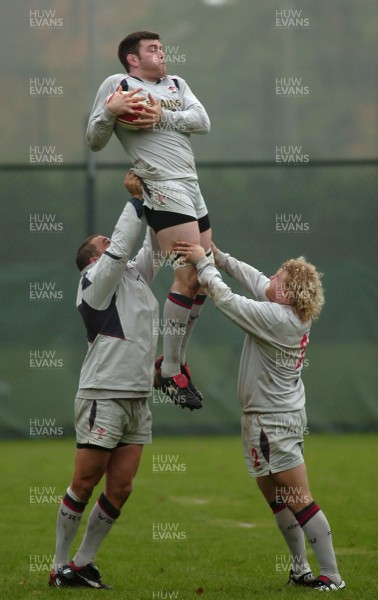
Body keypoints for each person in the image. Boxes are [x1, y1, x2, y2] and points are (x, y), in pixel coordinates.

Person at [174, 240, 346, 592]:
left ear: (287, 292)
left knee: (298, 496)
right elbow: (254, 279)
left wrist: (203, 265)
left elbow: (228, 301)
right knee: (272, 492)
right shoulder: (285, 310)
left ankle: (332, 576)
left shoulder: (277, 318)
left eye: (278, 277)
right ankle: (299, 568)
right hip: (266, 417)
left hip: (273, 420)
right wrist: (219, 257)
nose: (271, 277)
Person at [87, 30, 212, 411]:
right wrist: (111, 111)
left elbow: (202, 121)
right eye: (153, 49)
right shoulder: (119, 85)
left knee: (203, 280)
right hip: (161, 184)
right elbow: (94, 139)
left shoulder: (176, 84)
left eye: (162, 48)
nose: (162, 53)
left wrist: (164, 115)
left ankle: (174, 362)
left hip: (190, 185)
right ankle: (171, 369)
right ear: (132, 60)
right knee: (191, 270)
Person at [49, 173, 160, 588]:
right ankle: (60, 566)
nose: (114, 246)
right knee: (85, 480)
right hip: (104, 394)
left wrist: (157, 191)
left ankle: (82, 563)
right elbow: (122, 247)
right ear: (93, 259)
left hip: (137, 397)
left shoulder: (130, 276)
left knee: (122, 486)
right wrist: (135, 201)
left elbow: (153, 245)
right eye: (105, 243)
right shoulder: (93, 282)